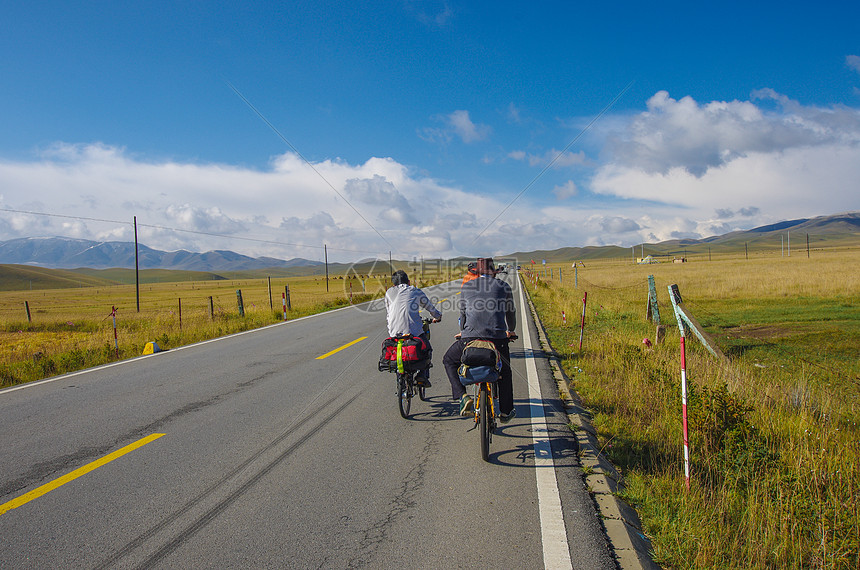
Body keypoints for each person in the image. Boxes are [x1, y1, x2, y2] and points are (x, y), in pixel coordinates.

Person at [442, 258, 517, 421]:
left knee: (448, 360)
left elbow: (463, 314)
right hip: (497, 340)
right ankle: (505, 411)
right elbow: (510, 313)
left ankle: (463, 396)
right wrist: (510, 331)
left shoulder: (467, 286)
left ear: (477, 272)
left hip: (469, 338)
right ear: (494, 273)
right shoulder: (503, 286)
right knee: (505, 371)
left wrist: (463, 331)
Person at [384, 270, 442, 386]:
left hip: (394, 333)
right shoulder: (415, 291)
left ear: (393, 284)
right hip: (413, 333)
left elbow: (389, 311)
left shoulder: (389, 292)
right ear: (409, 282)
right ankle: (421, 375)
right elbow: (429, 307)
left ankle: (400, 376)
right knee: (427, 349)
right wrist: (438, 316)